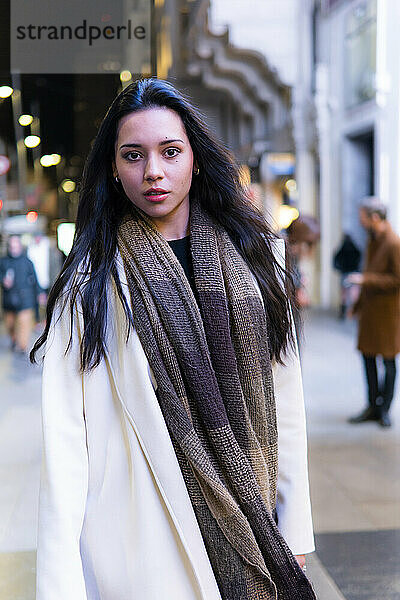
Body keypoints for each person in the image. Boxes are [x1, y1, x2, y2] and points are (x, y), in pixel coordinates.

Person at [31, 78, 316, 600]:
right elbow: (66, 443)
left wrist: (293, 527)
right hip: (141, 536)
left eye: (170, 151)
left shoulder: (257, 260)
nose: (153, 172)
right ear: (113, 170)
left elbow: (285, 397)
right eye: (133, 156)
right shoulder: (91, 283)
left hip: (253, 519)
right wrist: (60, 582)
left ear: (197, 158)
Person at [347, 197, 400, 428]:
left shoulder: (393, 243)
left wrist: (365, 279)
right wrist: (356, 307)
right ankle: (372, 406)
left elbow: (397, 280)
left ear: (375, 218)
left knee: (388, 362)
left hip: (388, 315)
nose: (361, 222)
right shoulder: (372, 240)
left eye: (363, 218)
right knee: (368, 359)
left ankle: (384, 410)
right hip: (370, 313)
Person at [0, 235, 44, 354]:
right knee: (10, 324)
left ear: (20, 246)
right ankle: (15, 339)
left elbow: (34, 278)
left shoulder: (27, 262)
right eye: (11, 246)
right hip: (9, 300)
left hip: (25, 299)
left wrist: (40, 293)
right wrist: (3, 280)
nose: (14, 248)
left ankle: (22, 346)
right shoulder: (3, 261)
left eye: (16, 246)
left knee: (24, 323)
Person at [333, 233, 361, 319]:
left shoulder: (342, 249)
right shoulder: (355, 249)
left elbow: (336, 259)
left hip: (345, 273)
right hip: (352, 272)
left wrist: (340, 268)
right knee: (353, 294)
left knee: (344, 294)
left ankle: (345, 312)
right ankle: (353, 312)